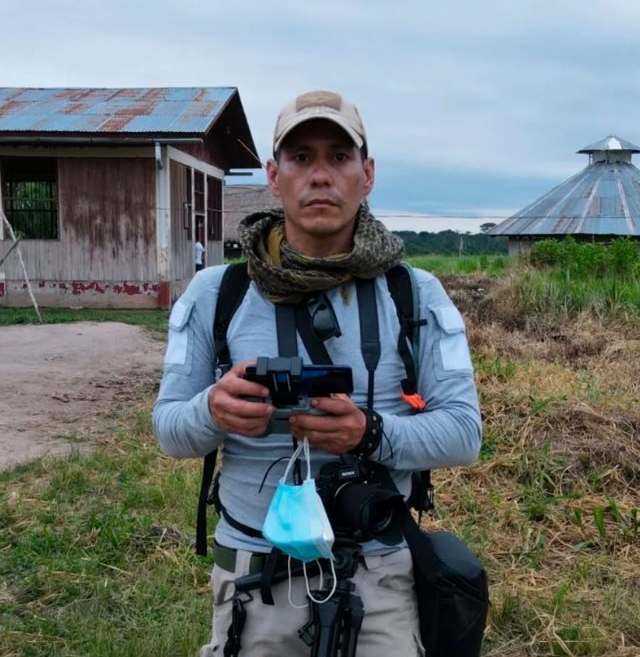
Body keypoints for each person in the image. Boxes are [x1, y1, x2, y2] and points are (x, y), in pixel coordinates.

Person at [152, 89, 482, 656]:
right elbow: (167, 429)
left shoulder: (416, 294)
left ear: (367, 174)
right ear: (274, 176)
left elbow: (464, 434)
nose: (321, 176)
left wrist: (371, 433)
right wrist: (213, 410)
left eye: (339, 157)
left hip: (380, 569)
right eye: (302, 158)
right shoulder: (216, 294)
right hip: (255, 572)